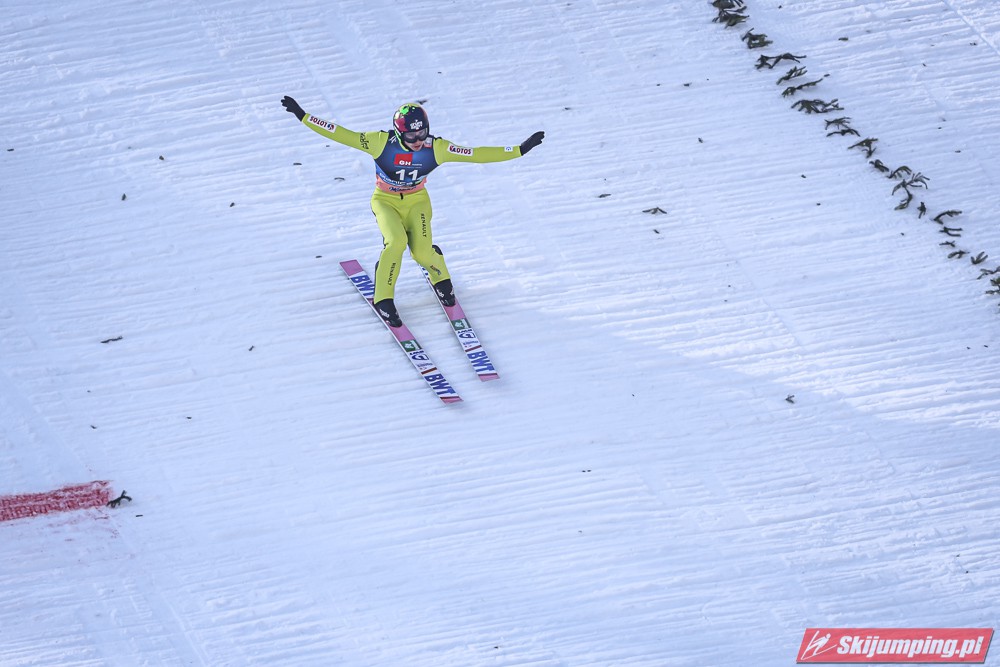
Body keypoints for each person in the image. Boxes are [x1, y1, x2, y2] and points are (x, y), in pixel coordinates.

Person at [280, 96, 544, 327]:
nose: (418, 141)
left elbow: (475, 154)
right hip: (385, 201)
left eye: (422, 134)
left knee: (422, 252)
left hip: (417, 201)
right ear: (398, 133)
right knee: (396, 243)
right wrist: (303, 115)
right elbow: (341, 134)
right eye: (411, 137)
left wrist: (519, 150)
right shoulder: (379, 142)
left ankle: (441, 278)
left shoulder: (437, 148)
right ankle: (383, 297)